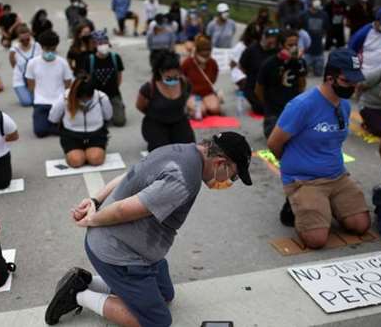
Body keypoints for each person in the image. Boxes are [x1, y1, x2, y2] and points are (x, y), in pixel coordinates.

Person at [45, 132, 253, 326]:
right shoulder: (184, 179)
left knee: (165, 295)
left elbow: (128, 177)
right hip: (120, 253)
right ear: (220, 163)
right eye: (232, 176)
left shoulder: (180, 149)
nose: (228, 181)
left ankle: (85, 281)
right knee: (157, 321)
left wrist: (95, 199)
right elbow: (123, 211)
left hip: (137, 249)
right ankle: (78, 295)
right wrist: (92, 219)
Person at [267, 48, 370, 249]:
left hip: (337, 176)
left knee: (361, 225)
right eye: (347, 81)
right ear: (330, 78)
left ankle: (325, 204)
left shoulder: (344, 105)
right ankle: (298, 202)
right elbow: (274, 143)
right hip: (305, 180)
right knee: (316, 240)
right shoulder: (302, 105)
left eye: (355, 81)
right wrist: (291, 166)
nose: (353, 87)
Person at [48, 72, 112, 168]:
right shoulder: (65, 97)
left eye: (88, 98)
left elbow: (108, 116)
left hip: (96, 134)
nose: (85, 101)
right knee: (76, 161)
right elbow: (53, 118)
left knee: (95, 159)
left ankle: (91, 151)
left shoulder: (102, 97)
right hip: (72, 135)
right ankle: (77, 152)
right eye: (82, 98)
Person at [136, 50, 194, 152]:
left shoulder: (184, 83)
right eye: (169, 78)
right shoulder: (149, 88)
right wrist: (154, 113)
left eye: (175, 77)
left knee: (188, 148)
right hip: (156, 123)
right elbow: (140, 106)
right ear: (160, 72)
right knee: (162, 152)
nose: (173, 80)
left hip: (178, 120)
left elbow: (187, 97)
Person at [256, 29, 307, 138]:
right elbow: (258, 89)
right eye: (290, 45)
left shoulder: (299, 62)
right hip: (274, 112)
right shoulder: (269, 64)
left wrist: (298, 63)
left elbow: (302, 86)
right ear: (280, 45)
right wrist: (267, 108)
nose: (294, 48)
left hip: (292, 110)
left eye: (296, 44)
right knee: (277, 137)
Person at [26, 30, 74, 138]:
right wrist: (35, 101)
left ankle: (53, 124)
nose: (50, 52)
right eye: (47, 49)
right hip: (41, 102)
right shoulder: (32, 63)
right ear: (41, 47)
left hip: (59, 102)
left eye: (53, 49)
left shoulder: (62, 63)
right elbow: (30, 85)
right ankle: (52, 124)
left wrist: (65, 102)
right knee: (40, 132)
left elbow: (68, 85)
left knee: (68, 129)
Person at [82, 30, 126, 127]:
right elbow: (88, 79)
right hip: (96, 95)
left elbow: (119, 76)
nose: (103, 45)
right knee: (96, 123)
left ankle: (118, 106)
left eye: (105, 42)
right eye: (100, 43)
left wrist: (115, 88)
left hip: (113, 94)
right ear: (95, 45)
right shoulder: (89, 59)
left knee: (119, 122)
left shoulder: (115, 57)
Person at [239, 28, 281, 114]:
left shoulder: (277, 50)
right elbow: (241, 66)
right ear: (263, 37)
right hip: (253, 86)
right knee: (262, 109)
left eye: (275, 38)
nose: (273, 40)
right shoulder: (251, 50)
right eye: (270, 37)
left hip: (270, 86)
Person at [349, 7, 381, 74]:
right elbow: (352, 51)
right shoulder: (365, 32)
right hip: (366, 73)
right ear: (376, 21)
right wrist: (355, 69)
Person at [182, 35, 221, 117]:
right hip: (192, 94)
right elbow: (180, 79)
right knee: (200, 111)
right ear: (196, 51)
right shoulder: (187, 62)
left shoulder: (213, 63)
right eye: (202, 54)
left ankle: (205, 104)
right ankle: (188, 108)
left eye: (208, 54)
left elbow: (213, 79)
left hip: (207, 93)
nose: (205, 57)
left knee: (215, 109)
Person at [8, 24, 41, 107]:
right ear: (18, 39)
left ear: (30, 36)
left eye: (27, 39)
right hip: (20, 79)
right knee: (27, 102)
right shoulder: (13, 50)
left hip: (35, 78)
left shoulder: (37, 46)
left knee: (37, 101)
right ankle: (23, 91)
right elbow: (13, 64)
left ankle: (32, 92)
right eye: (22, 40)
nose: (25, 41)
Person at [301, 0, 330, 77]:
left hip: (319, 49)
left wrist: (324, 40)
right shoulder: (304, 15)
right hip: (307, 50)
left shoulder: (324, 15)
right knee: (303, 73)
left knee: (319, 74)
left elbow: (326, 29)